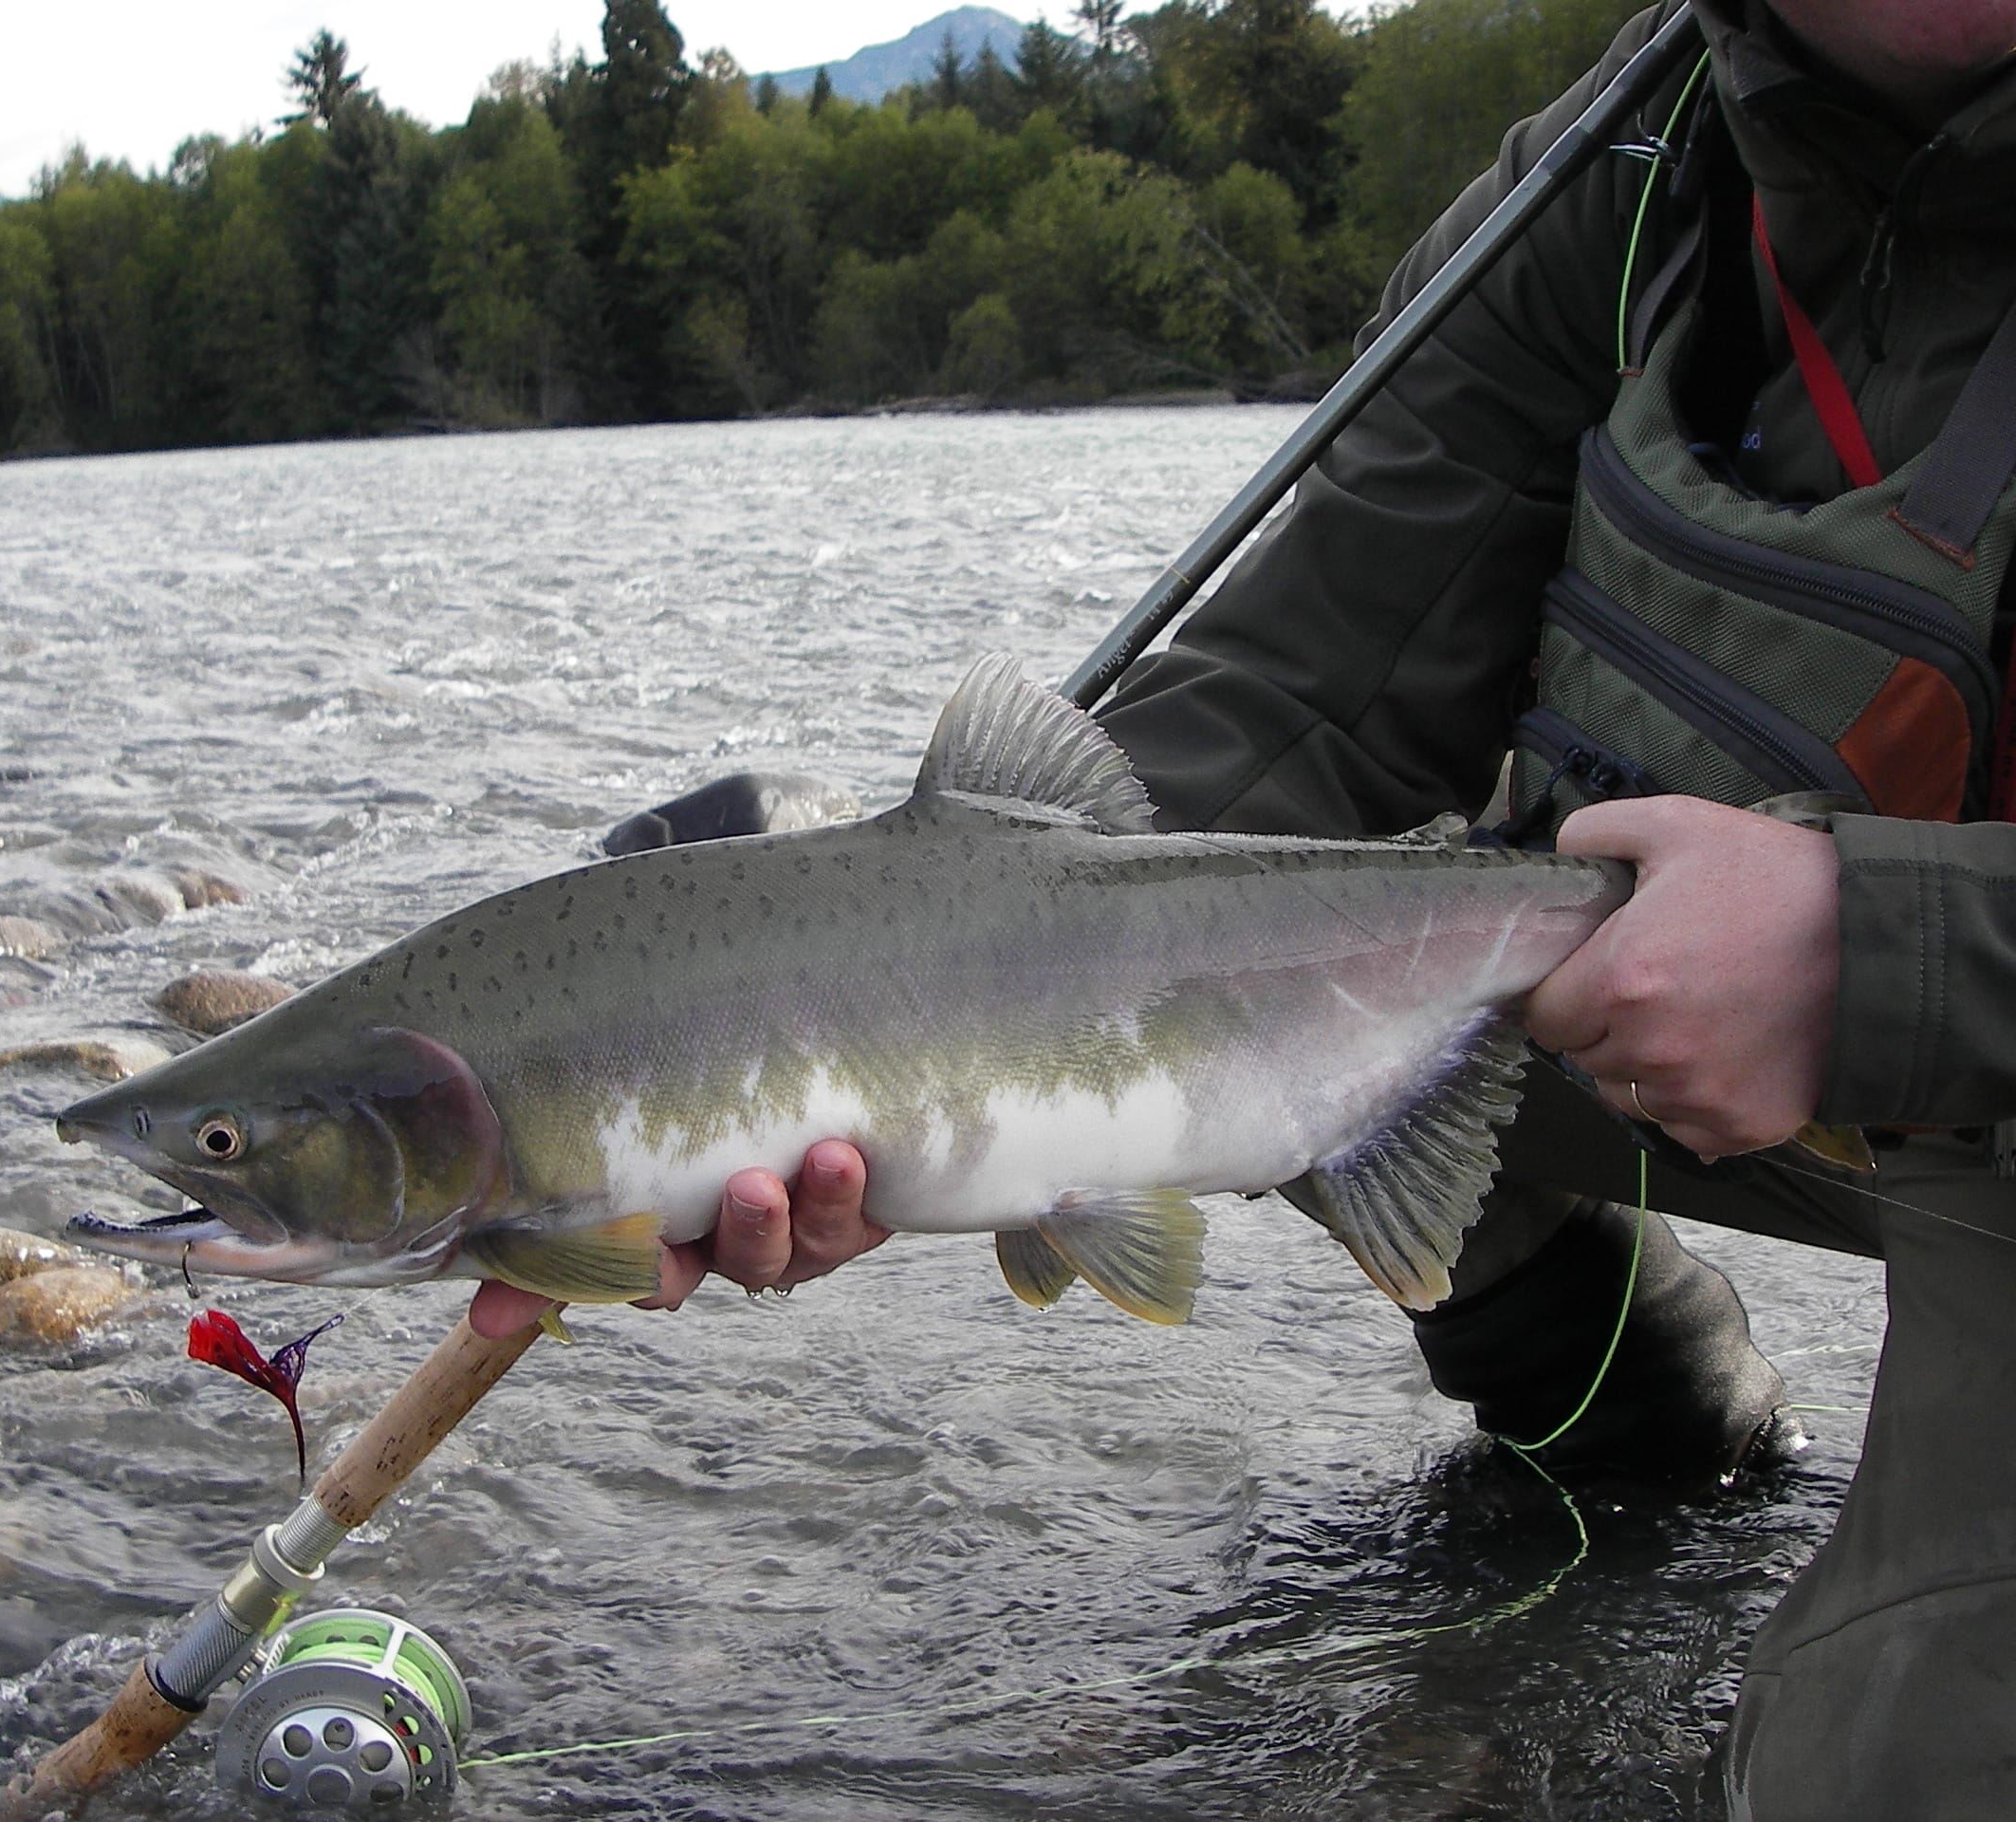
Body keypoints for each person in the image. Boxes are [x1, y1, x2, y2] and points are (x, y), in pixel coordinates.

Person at [480, 1, 2016, 1811]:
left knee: (1891, 1761)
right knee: (1264, 1011)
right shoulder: (1626, 175)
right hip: (1708, 999)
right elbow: (1302, 708)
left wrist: (1880, 950)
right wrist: (887, 993)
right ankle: (1656, 1446)